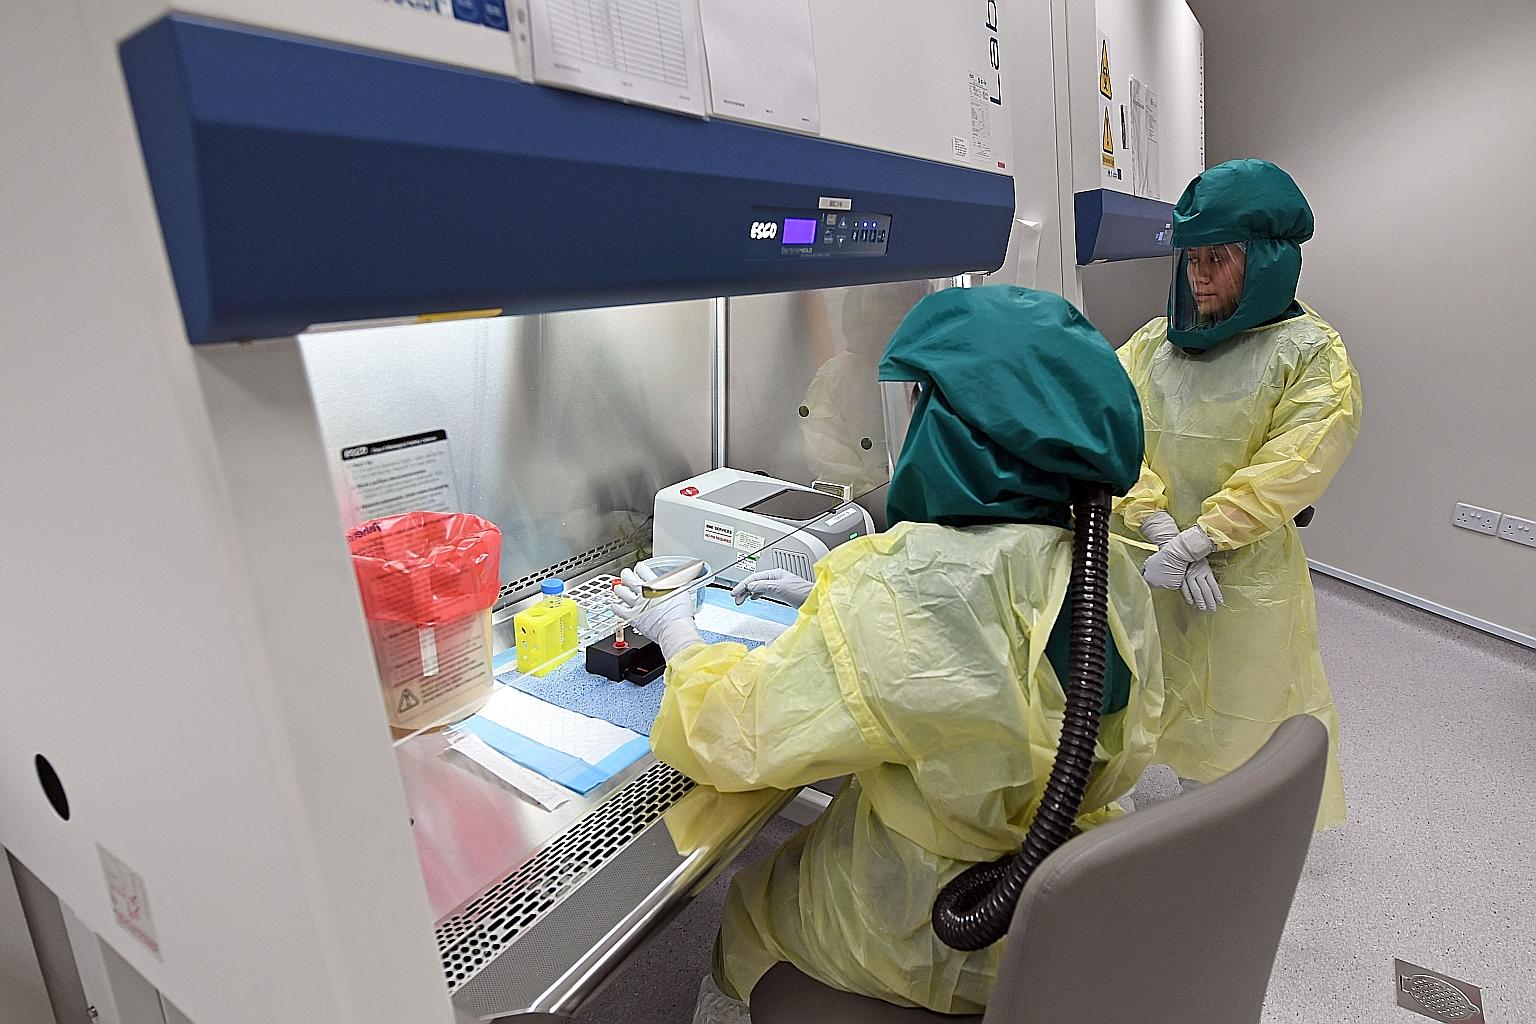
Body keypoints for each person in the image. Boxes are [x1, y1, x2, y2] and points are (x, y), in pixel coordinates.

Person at [612, 286, 1165, 1019]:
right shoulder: (1106, 569)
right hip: (1054, 912)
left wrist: (678, 634)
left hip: (925, 929)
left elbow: (736, 738)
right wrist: (827, 601)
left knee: (752, 906)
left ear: (958, 429)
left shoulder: (906, 589)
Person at [1114, 158, 1362, 828]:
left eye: (1217, 260)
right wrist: (1159, 525)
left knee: (1235, 711)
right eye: (1190, 259)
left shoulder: (1309, 353)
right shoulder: (1150, 346)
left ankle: (1213, 831)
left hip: (1242, 572)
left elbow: (1296, 461)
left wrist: (1203, 538)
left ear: (1268, 263)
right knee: (1129, 694)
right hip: (1143, 557)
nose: (1198, 277)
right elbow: (1112, 433)